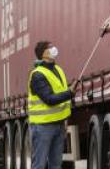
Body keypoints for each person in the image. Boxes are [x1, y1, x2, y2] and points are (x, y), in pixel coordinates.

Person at [28, 41, 73, 169]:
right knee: (39, 165)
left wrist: (64, 119)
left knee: (56, 165)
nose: (54, 48)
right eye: (50, 47)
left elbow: (61, 94)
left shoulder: (58, 69)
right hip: (42, 127)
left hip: (59, 125)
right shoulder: (37, 75)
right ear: (43, 53)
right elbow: (49, 99)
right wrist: (70, 93)